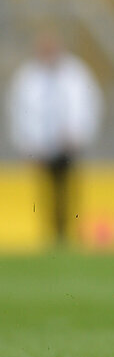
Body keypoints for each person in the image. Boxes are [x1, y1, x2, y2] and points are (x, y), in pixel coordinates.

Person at [6, 29, 103, 245]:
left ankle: (67, 233)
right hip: (41, 146)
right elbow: (20, 112)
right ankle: (51, 234)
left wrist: (79, 134)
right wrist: (28, 144)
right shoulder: (27, 77)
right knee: (46, 193)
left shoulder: (75, 73)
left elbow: (87, 105)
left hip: (69, 145)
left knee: (68, 190)